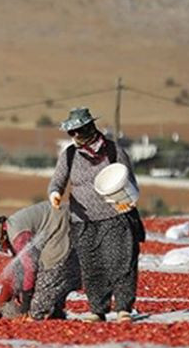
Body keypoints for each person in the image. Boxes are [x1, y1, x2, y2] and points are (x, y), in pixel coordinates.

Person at [47, 106, 141, 321]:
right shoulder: (69, 155)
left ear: (90, 127)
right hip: (82, 220)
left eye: (80, 130)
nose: (76, 136)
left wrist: (128, 203)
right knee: (92, 265)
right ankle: (98, 309)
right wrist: (55, 194)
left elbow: (129, 180)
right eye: (72, 133)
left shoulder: (113, 151)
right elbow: (58, 181)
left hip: (115, 216)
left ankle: (124, 308)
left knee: (120, 261)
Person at [0, 199, 79, 320]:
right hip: (61, 223)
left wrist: (25, 306)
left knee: (38, 307)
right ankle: (54, 309)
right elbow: (15, 272)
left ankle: (51, 307)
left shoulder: (17, 234)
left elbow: (30, 268)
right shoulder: (12, 230)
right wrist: (0, 305)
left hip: (63, 224)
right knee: (40, 285)